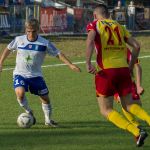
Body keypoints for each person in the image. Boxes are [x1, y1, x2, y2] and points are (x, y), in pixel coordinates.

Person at [86, 4, 150, 147]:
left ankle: (136, 131)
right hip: (123, 70)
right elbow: (137, 46)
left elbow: (90, 40)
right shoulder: (120, 27)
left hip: (106, 71)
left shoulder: (94, 24)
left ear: (95, 15)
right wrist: (130, 66)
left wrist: (88, 62)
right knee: (129, 105)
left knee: (106, 109)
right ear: (108, 14)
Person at [0, 18, 81, 127]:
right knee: (20, 93)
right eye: (28, 31)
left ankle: (48, 120)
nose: (31, 33)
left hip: (36, 76)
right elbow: (8, 49)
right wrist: (1, 62)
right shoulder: (18, 40)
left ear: (38, 30)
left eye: (33, 31)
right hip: (20, 74)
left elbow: (58, 53)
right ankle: (29, 112)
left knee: (45, 98)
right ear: (25, 30)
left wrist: (70, 64)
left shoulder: (45, 43)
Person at [114, 48, 143, 127]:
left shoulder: (123, 49)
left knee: (136, 104)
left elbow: (137, 65)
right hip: (113, 81)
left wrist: (138, 85)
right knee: (124, 103)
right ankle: (137, 127)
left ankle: (138, 127)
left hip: (127, 81)